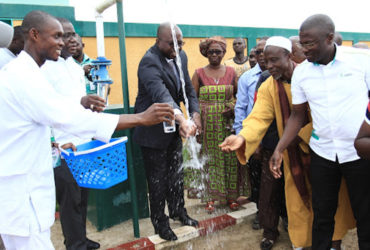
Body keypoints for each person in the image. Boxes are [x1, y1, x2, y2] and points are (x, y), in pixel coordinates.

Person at [0, 11, 174, 250]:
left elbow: (25, 127)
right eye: (57, 36)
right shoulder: (24, 77)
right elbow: (70, 118)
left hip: (26, 191)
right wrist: (141, 118)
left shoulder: (29, 72)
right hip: (23, 198)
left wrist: (55, 146)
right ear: (34, 35)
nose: (63, 42)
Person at [220, 36, 355, 250]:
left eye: (275, 60)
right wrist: (242, 137)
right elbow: (259, 117)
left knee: (330, 204)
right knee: (299, 205)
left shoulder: (312, 77)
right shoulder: (269, 87)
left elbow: (329, 115)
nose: (269, 65)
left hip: (325, 154)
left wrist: (301, 136)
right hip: (292, 157)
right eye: (266, 60)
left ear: (289, 56)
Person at [269, 14, 370, 249]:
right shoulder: (302, 73)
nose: (304, 50)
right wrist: (280, 147)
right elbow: (298, 115)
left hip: (359, 153)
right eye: (302, 44)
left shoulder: (361, 61)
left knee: (365, 213)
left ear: (329, 38)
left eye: (310, 43)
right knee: (322, 214)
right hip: (323, 154)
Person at [133, 22, 201, 241]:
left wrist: (195, 114)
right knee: (157, 180)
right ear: (157, 40)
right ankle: (160, 223)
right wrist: (182, 119)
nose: (176, 48)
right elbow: (163, 96)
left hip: (172, 129)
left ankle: (179, 211)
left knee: (176, 174)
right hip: (152, 131)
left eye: (180, 43)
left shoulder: (181, 56)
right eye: (171, 44)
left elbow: (187, 89)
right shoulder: (148, 62)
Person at [41, 17, 104, 250]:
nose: (70, 39)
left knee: (82, 197)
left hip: (83, 143)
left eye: (72, 34)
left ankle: (81, 239)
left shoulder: (75, 67)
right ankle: (74, 244)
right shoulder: (46, 67)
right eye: (63, 35)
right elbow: (48, 108)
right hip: (63, 146)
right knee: (69, 201)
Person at [187, 35, 240, 213]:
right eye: (211, 52)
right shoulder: (199, 73)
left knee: (230, 158)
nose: (214, 55)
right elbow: (192, 99)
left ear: (224, 52)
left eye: (218, 51)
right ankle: (209, 197)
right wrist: (197, 122)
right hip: (207, 125)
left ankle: (231, 197)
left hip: (227, 123)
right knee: (209, 159)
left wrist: (232, 107)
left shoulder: (232, 72)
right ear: (206, 54)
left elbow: (239, 97)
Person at [233, 37, 268, 230]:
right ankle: (260, 212)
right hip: (252, 136)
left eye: (265, 52)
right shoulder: (247, 77)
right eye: (258, 53)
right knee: (257, 178)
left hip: (274, 137)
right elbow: (241, 107)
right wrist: (242, 137)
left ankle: (282, 215)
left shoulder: (283, 75)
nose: (262, 57)